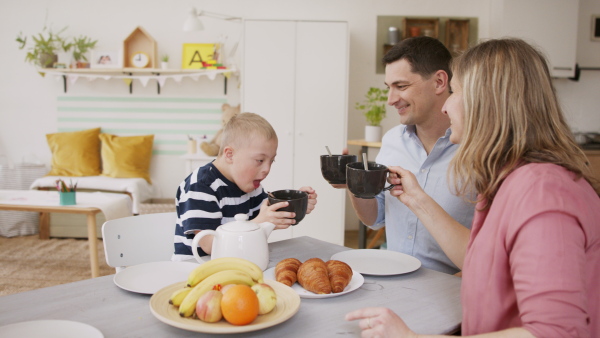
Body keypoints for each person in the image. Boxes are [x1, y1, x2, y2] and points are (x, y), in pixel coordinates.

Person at [346, 38, 600, 337]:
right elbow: (478, 258)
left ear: (488, 103)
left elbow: (555, 332)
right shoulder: (507, 181)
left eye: (455, 91)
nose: (446, 106)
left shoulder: (544, 192)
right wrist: (416, 199)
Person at [336, 36, 475, 274]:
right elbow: (375, 218)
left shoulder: (479, 150)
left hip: (451, 290)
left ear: (440, 82)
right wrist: (355, 184)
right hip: (394, 279)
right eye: (388, 88)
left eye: (401, 87)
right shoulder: (392, 140)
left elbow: (491, 251)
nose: (390, 100)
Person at [172, 112, 317, 260]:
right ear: (230, 155)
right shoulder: (201, 186)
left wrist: (297, 204)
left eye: (271, 161)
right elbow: (209, 245)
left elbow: (267, 216)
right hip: (195, 269)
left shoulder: (250, 185)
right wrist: (261, 221)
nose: (267, 169)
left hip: (237, 263)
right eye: (260, 160)